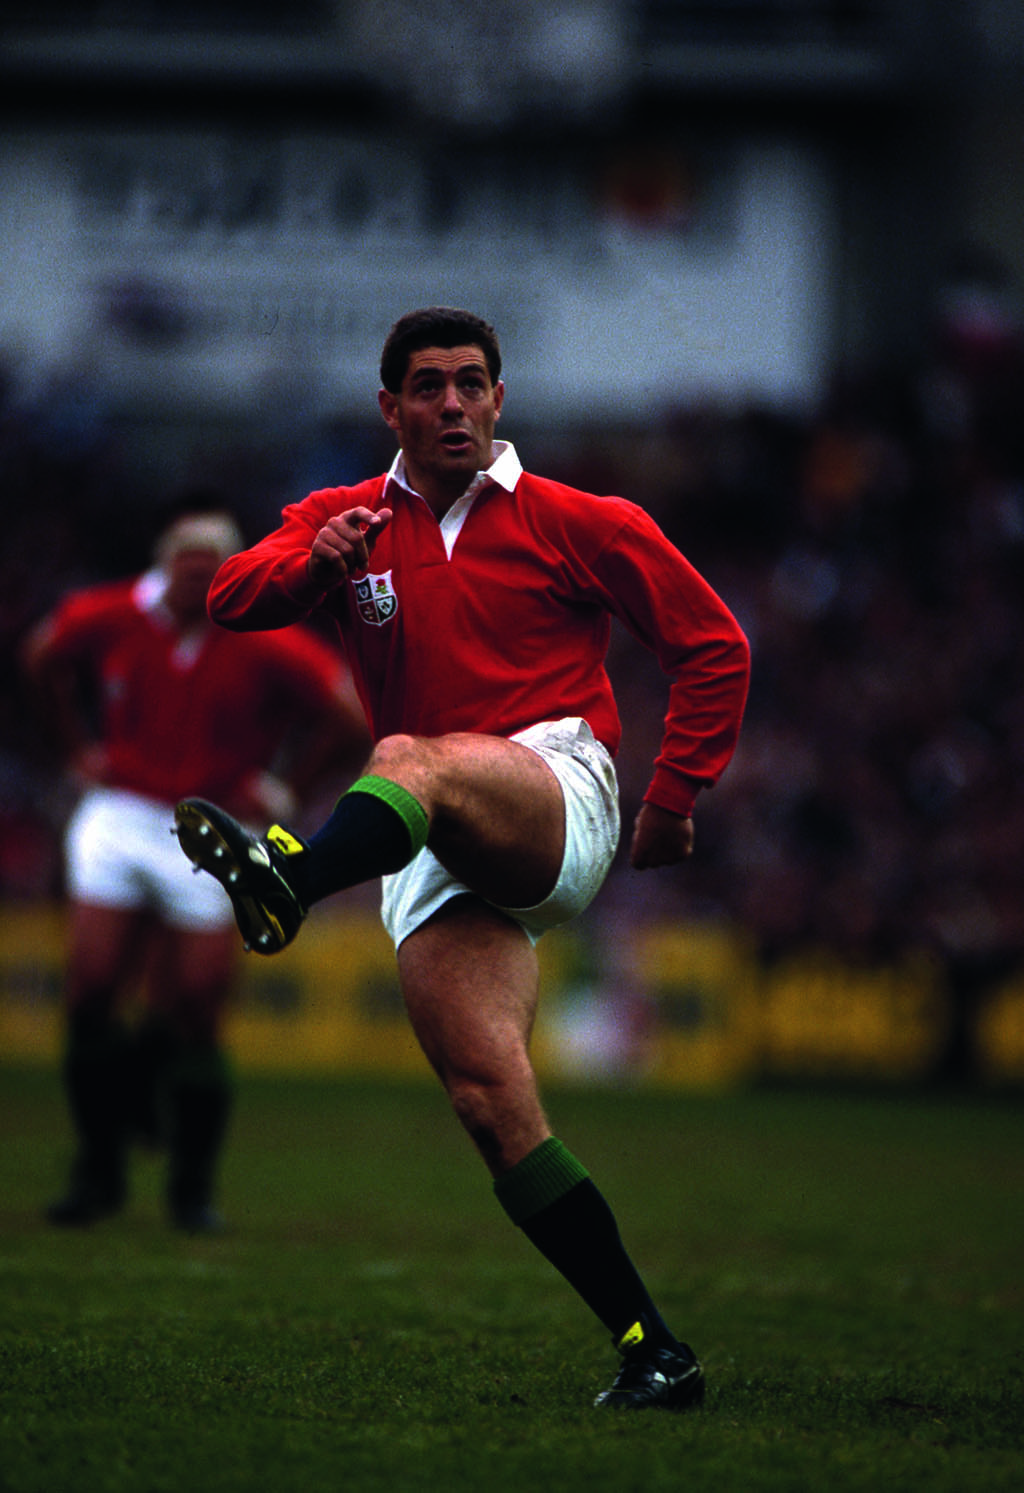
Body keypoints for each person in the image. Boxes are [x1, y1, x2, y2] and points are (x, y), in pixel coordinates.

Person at [174, 308, 750, 1404]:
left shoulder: (581, 518)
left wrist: (673, 797)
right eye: (429, 386)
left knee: (405, 754)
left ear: (499, 399)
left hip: (553, 788)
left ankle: (286, 879)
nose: (453, 404)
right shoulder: (345, 516)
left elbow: (712, 643)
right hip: (430, 834)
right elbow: (227, 598)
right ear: (389, 407)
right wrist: (310, 563)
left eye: (472, 383)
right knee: (492, 1103)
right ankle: (652, 1347)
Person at [22, 491, 369, 1232]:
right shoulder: (113, 613)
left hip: (214, 824)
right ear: (165, 565)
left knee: (198, 1005)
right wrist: (77, 747)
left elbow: (349, 713)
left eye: (210, 573)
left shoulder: (262, 634)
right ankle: (100, 1167)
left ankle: (189, 1185)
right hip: (123, 811)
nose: (197, 586)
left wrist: (287, 789)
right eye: (188, 570)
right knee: (89, 987)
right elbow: (42, 654)